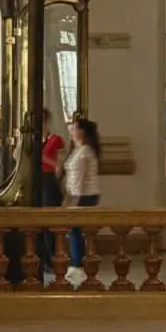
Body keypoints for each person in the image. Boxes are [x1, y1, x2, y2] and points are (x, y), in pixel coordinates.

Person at [60, 110, 103, 283]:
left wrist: (74, 202)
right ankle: (78, 264)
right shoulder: (78, 150)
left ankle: (78, 266)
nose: (71, 130)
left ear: (82, 132)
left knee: (74, 230)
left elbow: (80, 179)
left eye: (75, 128)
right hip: (78, 194)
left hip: (84, 195)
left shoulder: (85, 152)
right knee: (74, 231)